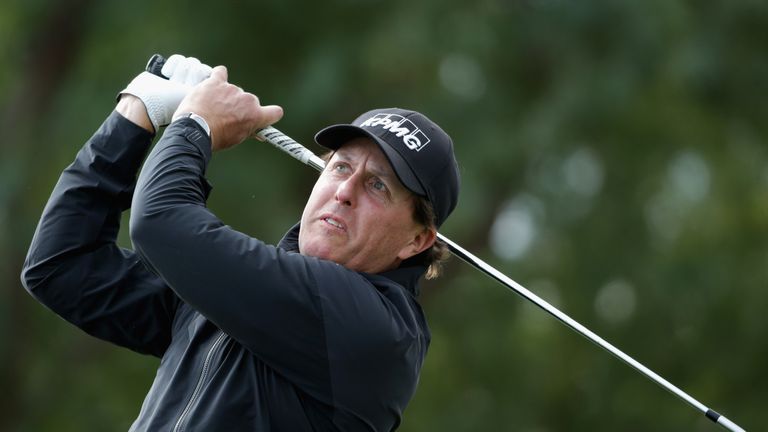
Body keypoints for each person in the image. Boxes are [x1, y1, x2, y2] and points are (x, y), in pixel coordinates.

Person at [21, 54, 460, 431]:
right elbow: (62, 265)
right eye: (341, 168)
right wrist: (137, 113)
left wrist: (194, 126)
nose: (345, 191)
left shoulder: (373, 329)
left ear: (417, 239)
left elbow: (160, 221)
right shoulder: (246, 293)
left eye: (378, 186)